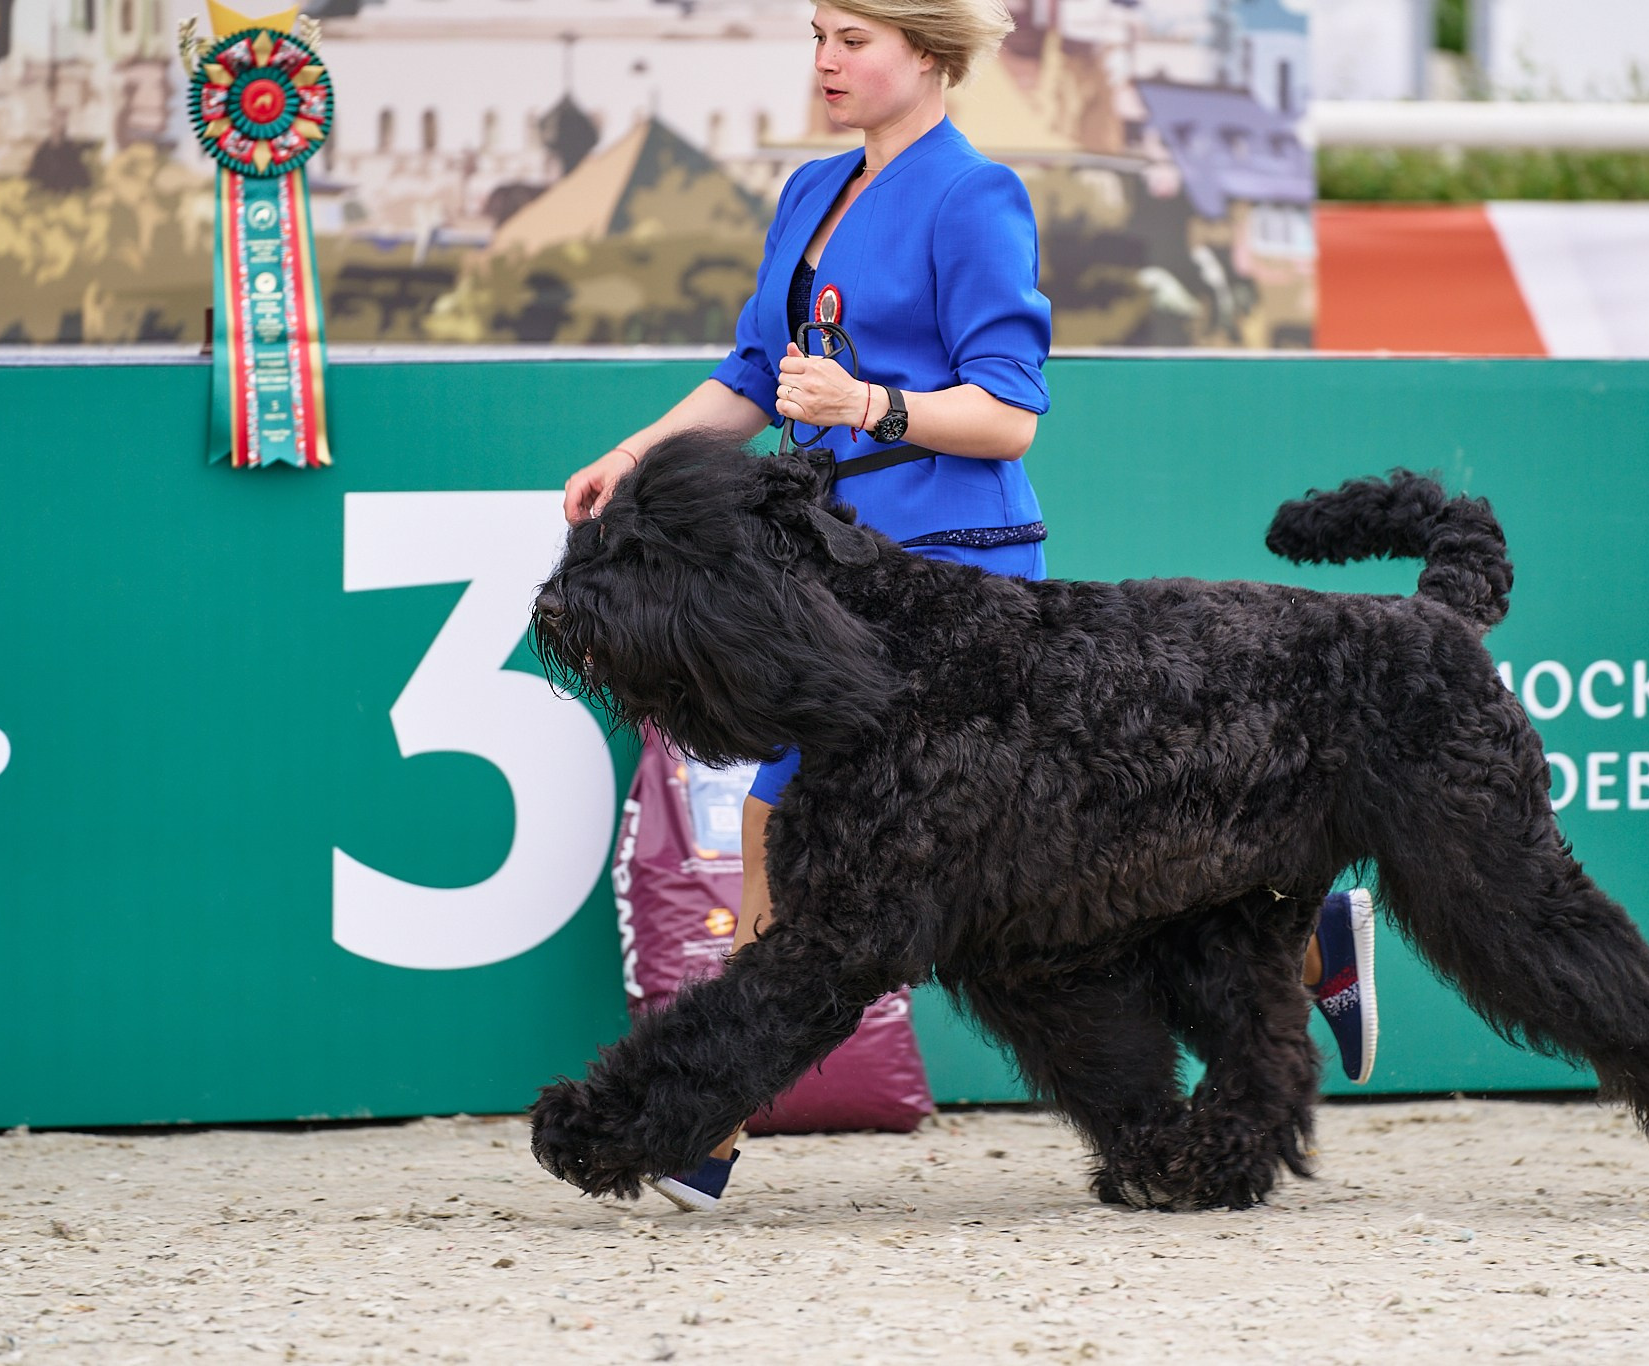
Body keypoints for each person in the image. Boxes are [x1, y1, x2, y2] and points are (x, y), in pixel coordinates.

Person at [563, 0, 1379, 1213]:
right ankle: (1310, 926)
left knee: (794, 834)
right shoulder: (807, 194)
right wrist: (632, 453)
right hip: (829, 584)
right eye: (819, 36)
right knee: (805, 837)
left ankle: (698, 1127)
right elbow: (750, 376)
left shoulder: (973, 196)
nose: (829, 61)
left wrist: (866, 406)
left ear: (930, 54)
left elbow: (1008, 410)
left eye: (857, 39)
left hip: (954, 563)